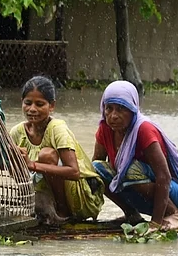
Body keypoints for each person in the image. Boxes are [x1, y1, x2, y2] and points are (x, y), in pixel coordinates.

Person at [91, 80, 178, 231]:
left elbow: (164, 176)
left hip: (175, 196)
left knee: (130, 168)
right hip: (144, 196)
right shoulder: (105, 129)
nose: (113, 116)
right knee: (96, 169)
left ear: (133, 109)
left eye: (121, 109)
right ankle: (131, 214)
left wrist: (155, 223)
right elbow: (96, 166)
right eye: (109, 108)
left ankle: (175, 216)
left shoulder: (144, 129)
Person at [8, 76, 105, 225]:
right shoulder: (17, 132)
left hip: (80, 196)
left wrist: (32, 165)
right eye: (28, 103)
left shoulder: (57, 128)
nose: (32, 109)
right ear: (22, 102)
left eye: (39, 104)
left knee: (46, 155)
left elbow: (74, 172)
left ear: (51, 106)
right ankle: (39, 209)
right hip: (44, 193)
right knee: (14, 157)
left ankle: (62, 212)